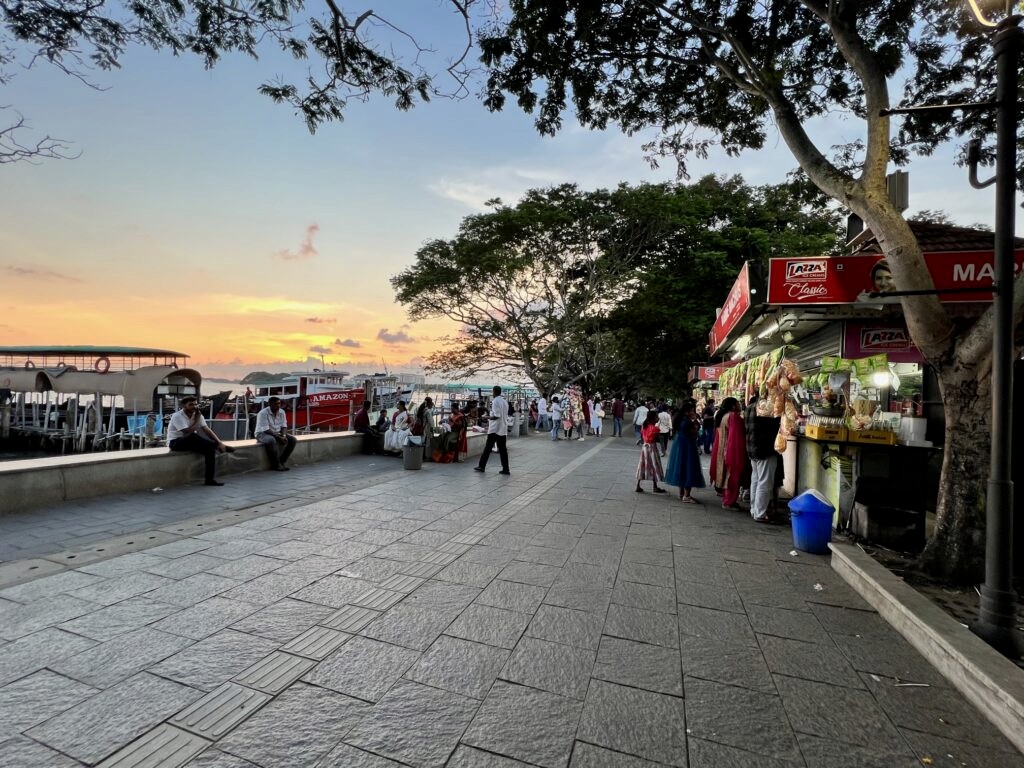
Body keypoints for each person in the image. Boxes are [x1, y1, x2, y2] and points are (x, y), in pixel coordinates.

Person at [167, 395, 235, 486]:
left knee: (209, 451)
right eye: (191, 404)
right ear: (184, 405)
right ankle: (216, 446)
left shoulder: (197, 414)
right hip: (175, 443)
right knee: (193, 435)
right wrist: (197, 419)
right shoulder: (177, 416)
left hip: (190, 443)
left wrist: (219, 442)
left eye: (195, 404)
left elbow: (207, 430)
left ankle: (209, 480)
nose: (194, 407)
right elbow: (187, 432)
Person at [745, 394, 782, 523]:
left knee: (756, 479)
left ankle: (754, 510)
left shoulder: (749, 407)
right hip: (764, 448)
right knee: (765, 482)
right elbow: (771, 426)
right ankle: (759, 513)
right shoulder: (765, 407)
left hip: (752, 448)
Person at [665, 401, 705, 503]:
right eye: (692, 410)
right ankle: (687, 495)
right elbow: (695, 434)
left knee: (681, 468)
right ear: (687, 412)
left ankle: (682, 493)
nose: (693, 412)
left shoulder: (679, 419)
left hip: (679, 445)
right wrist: (696, 423)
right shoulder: (688, 422)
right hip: (688, 446)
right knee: (689, 468)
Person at [710, 397, 745, 509]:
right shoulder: (733, 416)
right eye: (738, 404)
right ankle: (729, 501)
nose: (740, 406)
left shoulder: (722, 416)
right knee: (732, 477)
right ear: (733, 406)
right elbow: (735, 436)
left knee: (726, 476)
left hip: (721, 450)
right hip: (730, 450)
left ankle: (727, 499)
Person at [254, 396, 297, 471]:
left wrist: (283, 436)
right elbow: (266, 429)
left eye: (279, 403)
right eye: (276, 404)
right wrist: (279, 438)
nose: (278, 405)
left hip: (277, 433)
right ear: (270, 404)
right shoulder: (263, 413)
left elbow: (284, 426)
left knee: (293, 440)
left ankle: (282, 461)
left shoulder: (281, 412)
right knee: (271, 440)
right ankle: (276, 465)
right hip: (262, 433)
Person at [475, 386, 510, 474]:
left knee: (488, 448)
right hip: (503, 428)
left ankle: (481, 466)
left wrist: (486, 417)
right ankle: (506, 469)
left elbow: (496, 416)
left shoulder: (495, 401)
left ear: (494, 391)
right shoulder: (504, 401)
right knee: (502, 449)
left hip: (495, 429)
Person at [635, 411, 667, 493]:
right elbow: (659, 440)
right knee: (654, 465)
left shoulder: (644, 426)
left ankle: (638, 485)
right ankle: (655, 486)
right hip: (652, 448)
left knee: (642, 465)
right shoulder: (655, 429)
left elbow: (643, 437)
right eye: (656, 417)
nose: (657, 418)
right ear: (652, 418)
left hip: (645, 447)